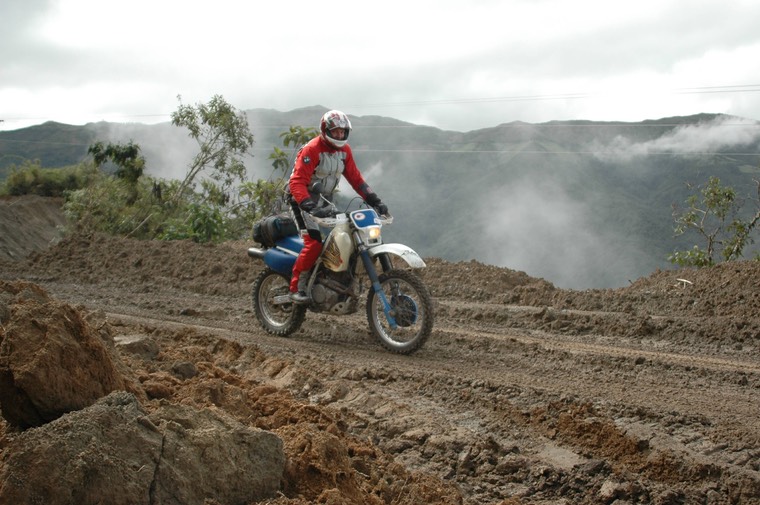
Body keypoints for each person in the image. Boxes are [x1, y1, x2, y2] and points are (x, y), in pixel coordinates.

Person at [287, 110, 388, 303]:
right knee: (314, 243)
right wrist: (308, 204)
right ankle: (296, 286)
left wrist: (376, 201)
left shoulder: (344, 151)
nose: (340, 135)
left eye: (343, 132)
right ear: (326, 131)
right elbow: (297, 182)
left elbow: (356, 179)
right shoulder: (312, 149)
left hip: (324, 200)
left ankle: (330, 280)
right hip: (301, 200)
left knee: (343, 237)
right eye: (336, 131)